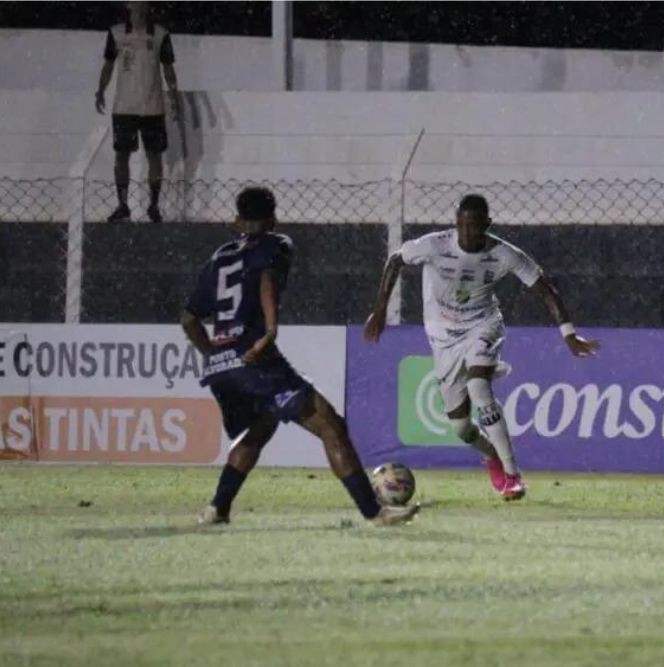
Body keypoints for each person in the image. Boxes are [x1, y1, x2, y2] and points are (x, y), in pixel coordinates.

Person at [181, 186, 419, 526]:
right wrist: (270, 332)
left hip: (222, 366)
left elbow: (188, 319)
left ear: (235, 221)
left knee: (261, 427)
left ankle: (217, 508)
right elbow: (266, 280)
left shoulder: (219, 256)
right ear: (274, 219)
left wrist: (215, 353)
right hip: (255, 358)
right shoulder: (277, 244)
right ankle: (374, 511)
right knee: (330, 425)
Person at [364, 194, 600, 500]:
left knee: (479, 388)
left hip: (482, 325)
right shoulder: (435, 245)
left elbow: (544, 287)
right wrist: (380, 308)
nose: (467, 232)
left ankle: (513, 475)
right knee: (461, 427)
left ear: (487, 225)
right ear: (456, 222)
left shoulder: (502, 253)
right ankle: (491, 456)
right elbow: (396, 259)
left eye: (474, 226)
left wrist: (569, 334)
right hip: (443, 338)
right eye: (462, 224)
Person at [96, 1, 179, 224]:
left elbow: (168, 67)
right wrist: (100, 89)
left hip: (153, 107)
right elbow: (108, 64)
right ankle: (122, 205)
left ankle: (154, 205)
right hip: (124, 107)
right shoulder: (116, 33)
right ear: (128, 5)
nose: (139, 4)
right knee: (121, 156)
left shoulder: (160, 34)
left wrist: (173, 94)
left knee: (155, 156)